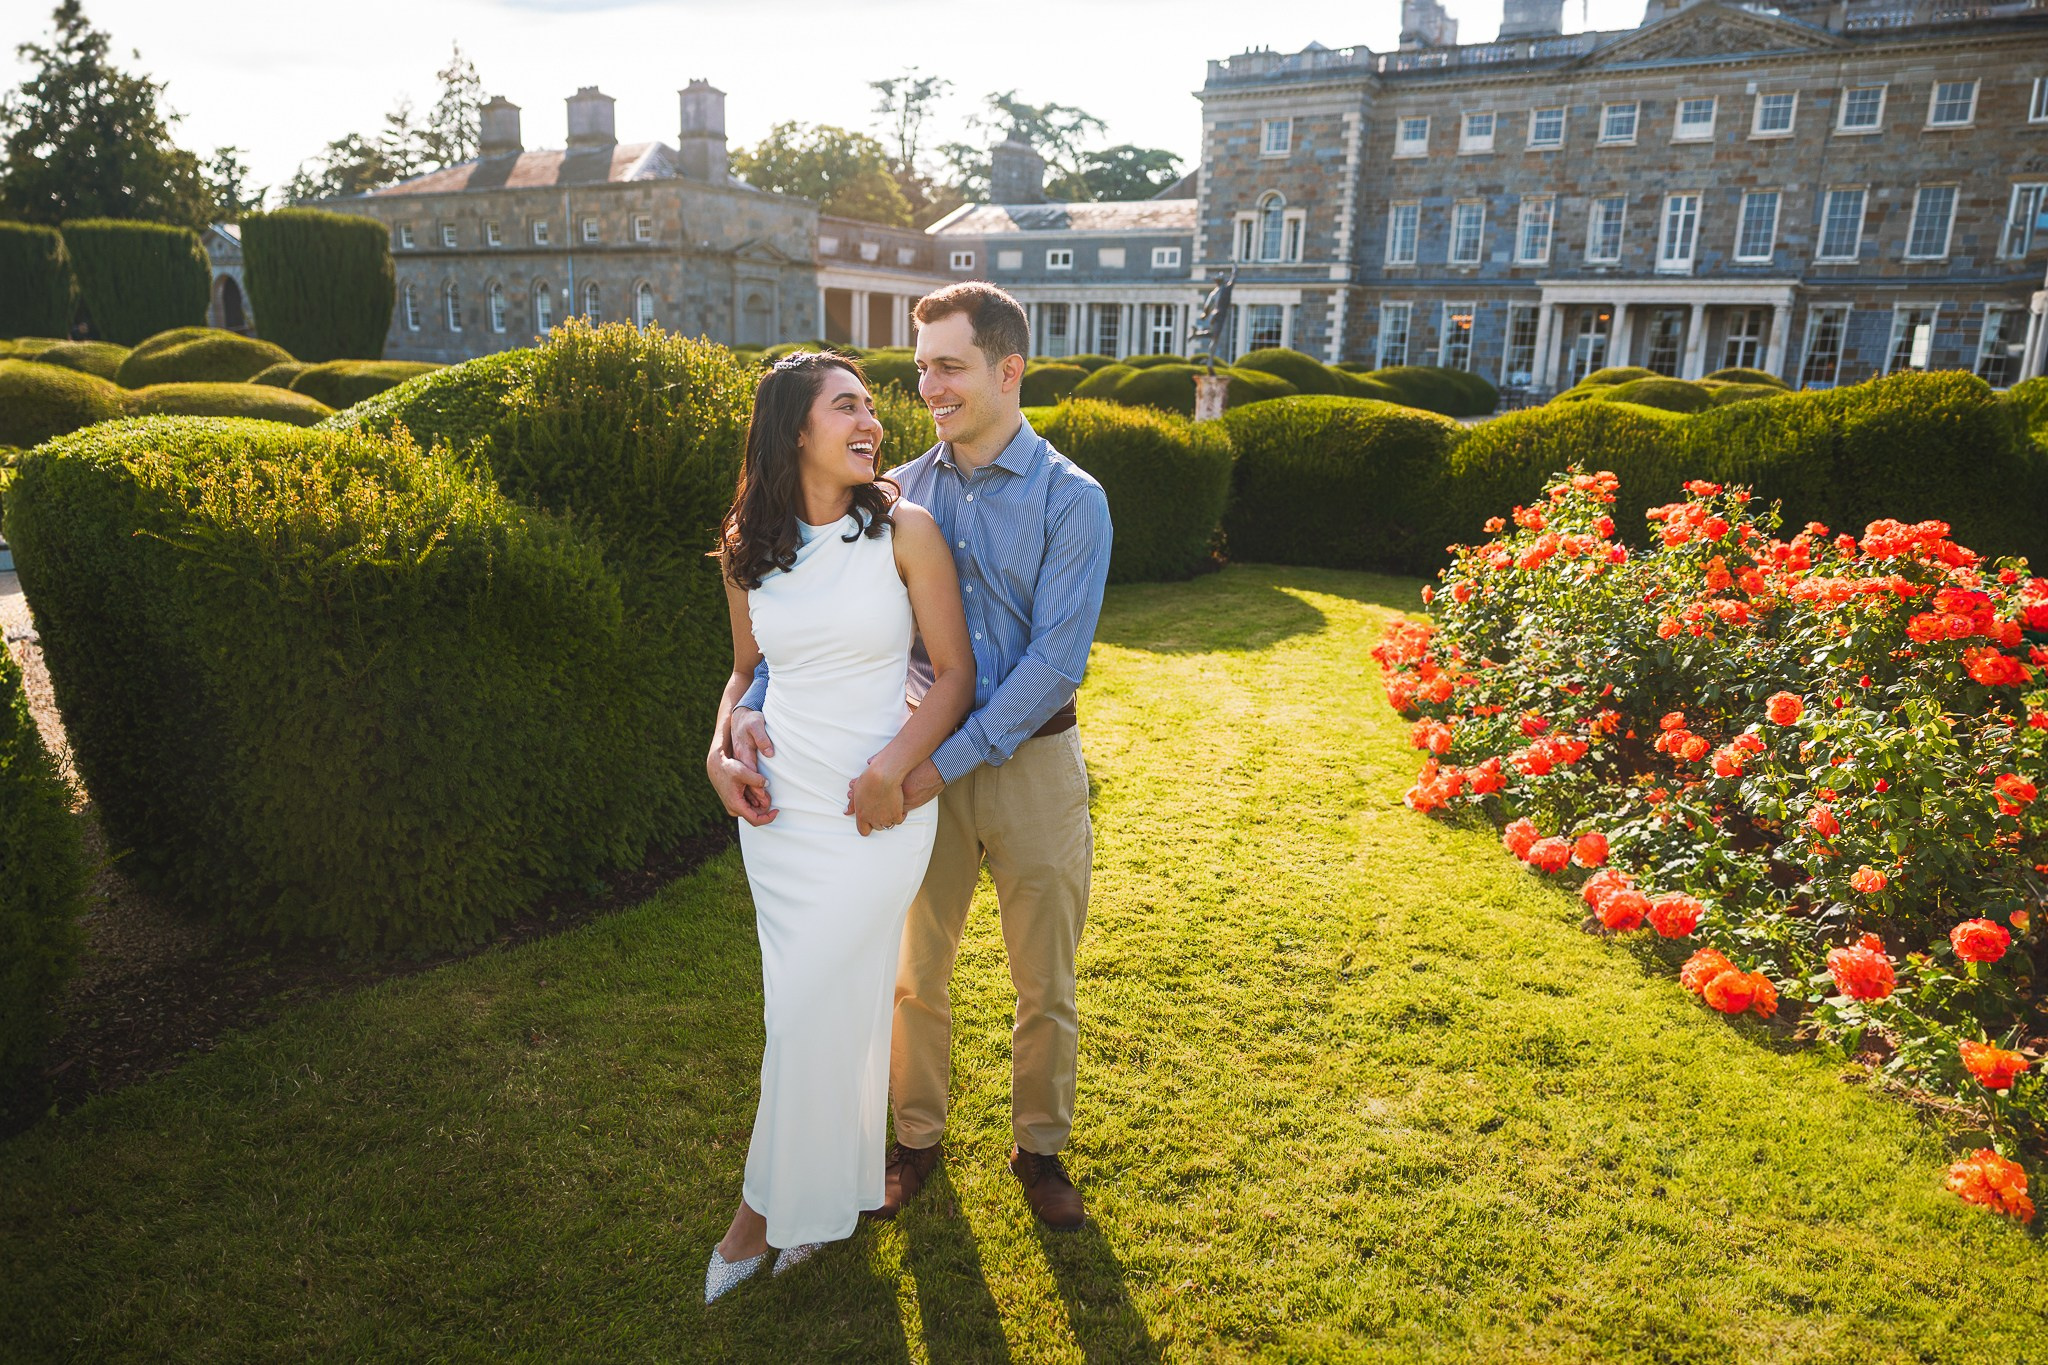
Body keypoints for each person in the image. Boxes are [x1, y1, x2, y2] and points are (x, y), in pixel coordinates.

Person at [711, 283, 1114, 1234]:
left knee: (1043, 975)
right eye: (919, 365)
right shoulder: (894, 498)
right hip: (913, 763)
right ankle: (916, 1139)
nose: (924, 386)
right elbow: (802, 617)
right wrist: (747, 715)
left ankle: (1040, 1148)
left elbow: (1057, 661)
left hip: (1025, 762)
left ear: (1007, 371)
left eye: (947, 365)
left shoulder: (1073, 498)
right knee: (911, 973)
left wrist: (936, 762)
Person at [701, 351, 974, 1305]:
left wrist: (890, 771)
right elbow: (745, 672)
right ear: (793, 430)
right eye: (846, 406)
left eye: (870, 407)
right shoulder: (748, 542)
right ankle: (835, 1191)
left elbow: (954, 676)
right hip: (780, 816)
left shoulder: (906, 530)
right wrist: (717, 747)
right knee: (819, 1008)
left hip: (876, 811)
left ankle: (760, 1212)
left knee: (814, 1005)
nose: (872, 422)